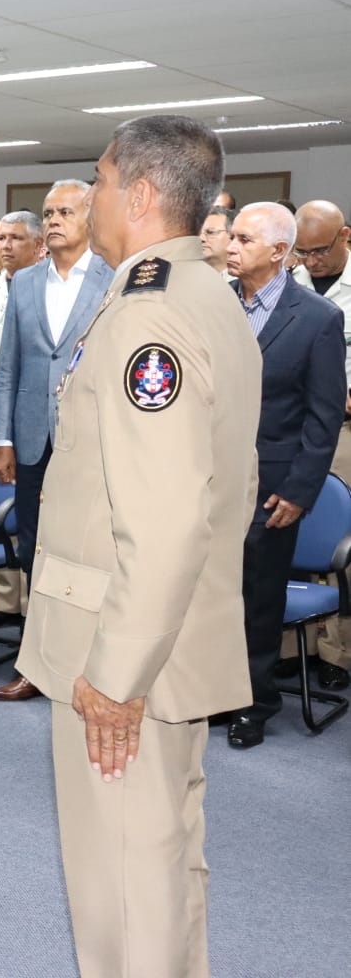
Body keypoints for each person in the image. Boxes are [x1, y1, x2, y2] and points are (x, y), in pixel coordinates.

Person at [14, 114, 260, 978]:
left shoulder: (147, 314)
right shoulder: (202, 294)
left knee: (122, 881)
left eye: (101, 179)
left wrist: (115, 678)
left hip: (124, 652)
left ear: (144, 194)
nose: (90, 195)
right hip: (176, 636)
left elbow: (161, 518)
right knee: (159, 861)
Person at [0, 181, 114, 701]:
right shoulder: (25, 282)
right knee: (35, 552)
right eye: (49, 212)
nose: (55, 220)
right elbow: (9, 365)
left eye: (66, 211)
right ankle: (35, 665)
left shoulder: (116, 278)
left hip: (93, 442)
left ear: (91, 217)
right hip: (34, 440)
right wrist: (2, 437)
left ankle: (91, 667)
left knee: (89, 554)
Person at [223, 203, 345, 748]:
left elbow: (323, 419)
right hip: (207, 478)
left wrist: (299, 490)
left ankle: (254, 703)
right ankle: (212, 694)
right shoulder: (214, 305)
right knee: (212, 596)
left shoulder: (317, 317)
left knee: (258, 597)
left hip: (273, 484)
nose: (230, 246)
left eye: (244, 239)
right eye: (231, 237)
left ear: (278, 251)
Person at [288, 200, 351, 688]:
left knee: (338, 539)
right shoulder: (291, 285)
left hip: (347, 430)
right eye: (302, 252)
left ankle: (337, 652)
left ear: (345, 236)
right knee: (292, 527)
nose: (312, 262)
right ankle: (296, 645)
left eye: (321, 251)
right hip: (299, 427)